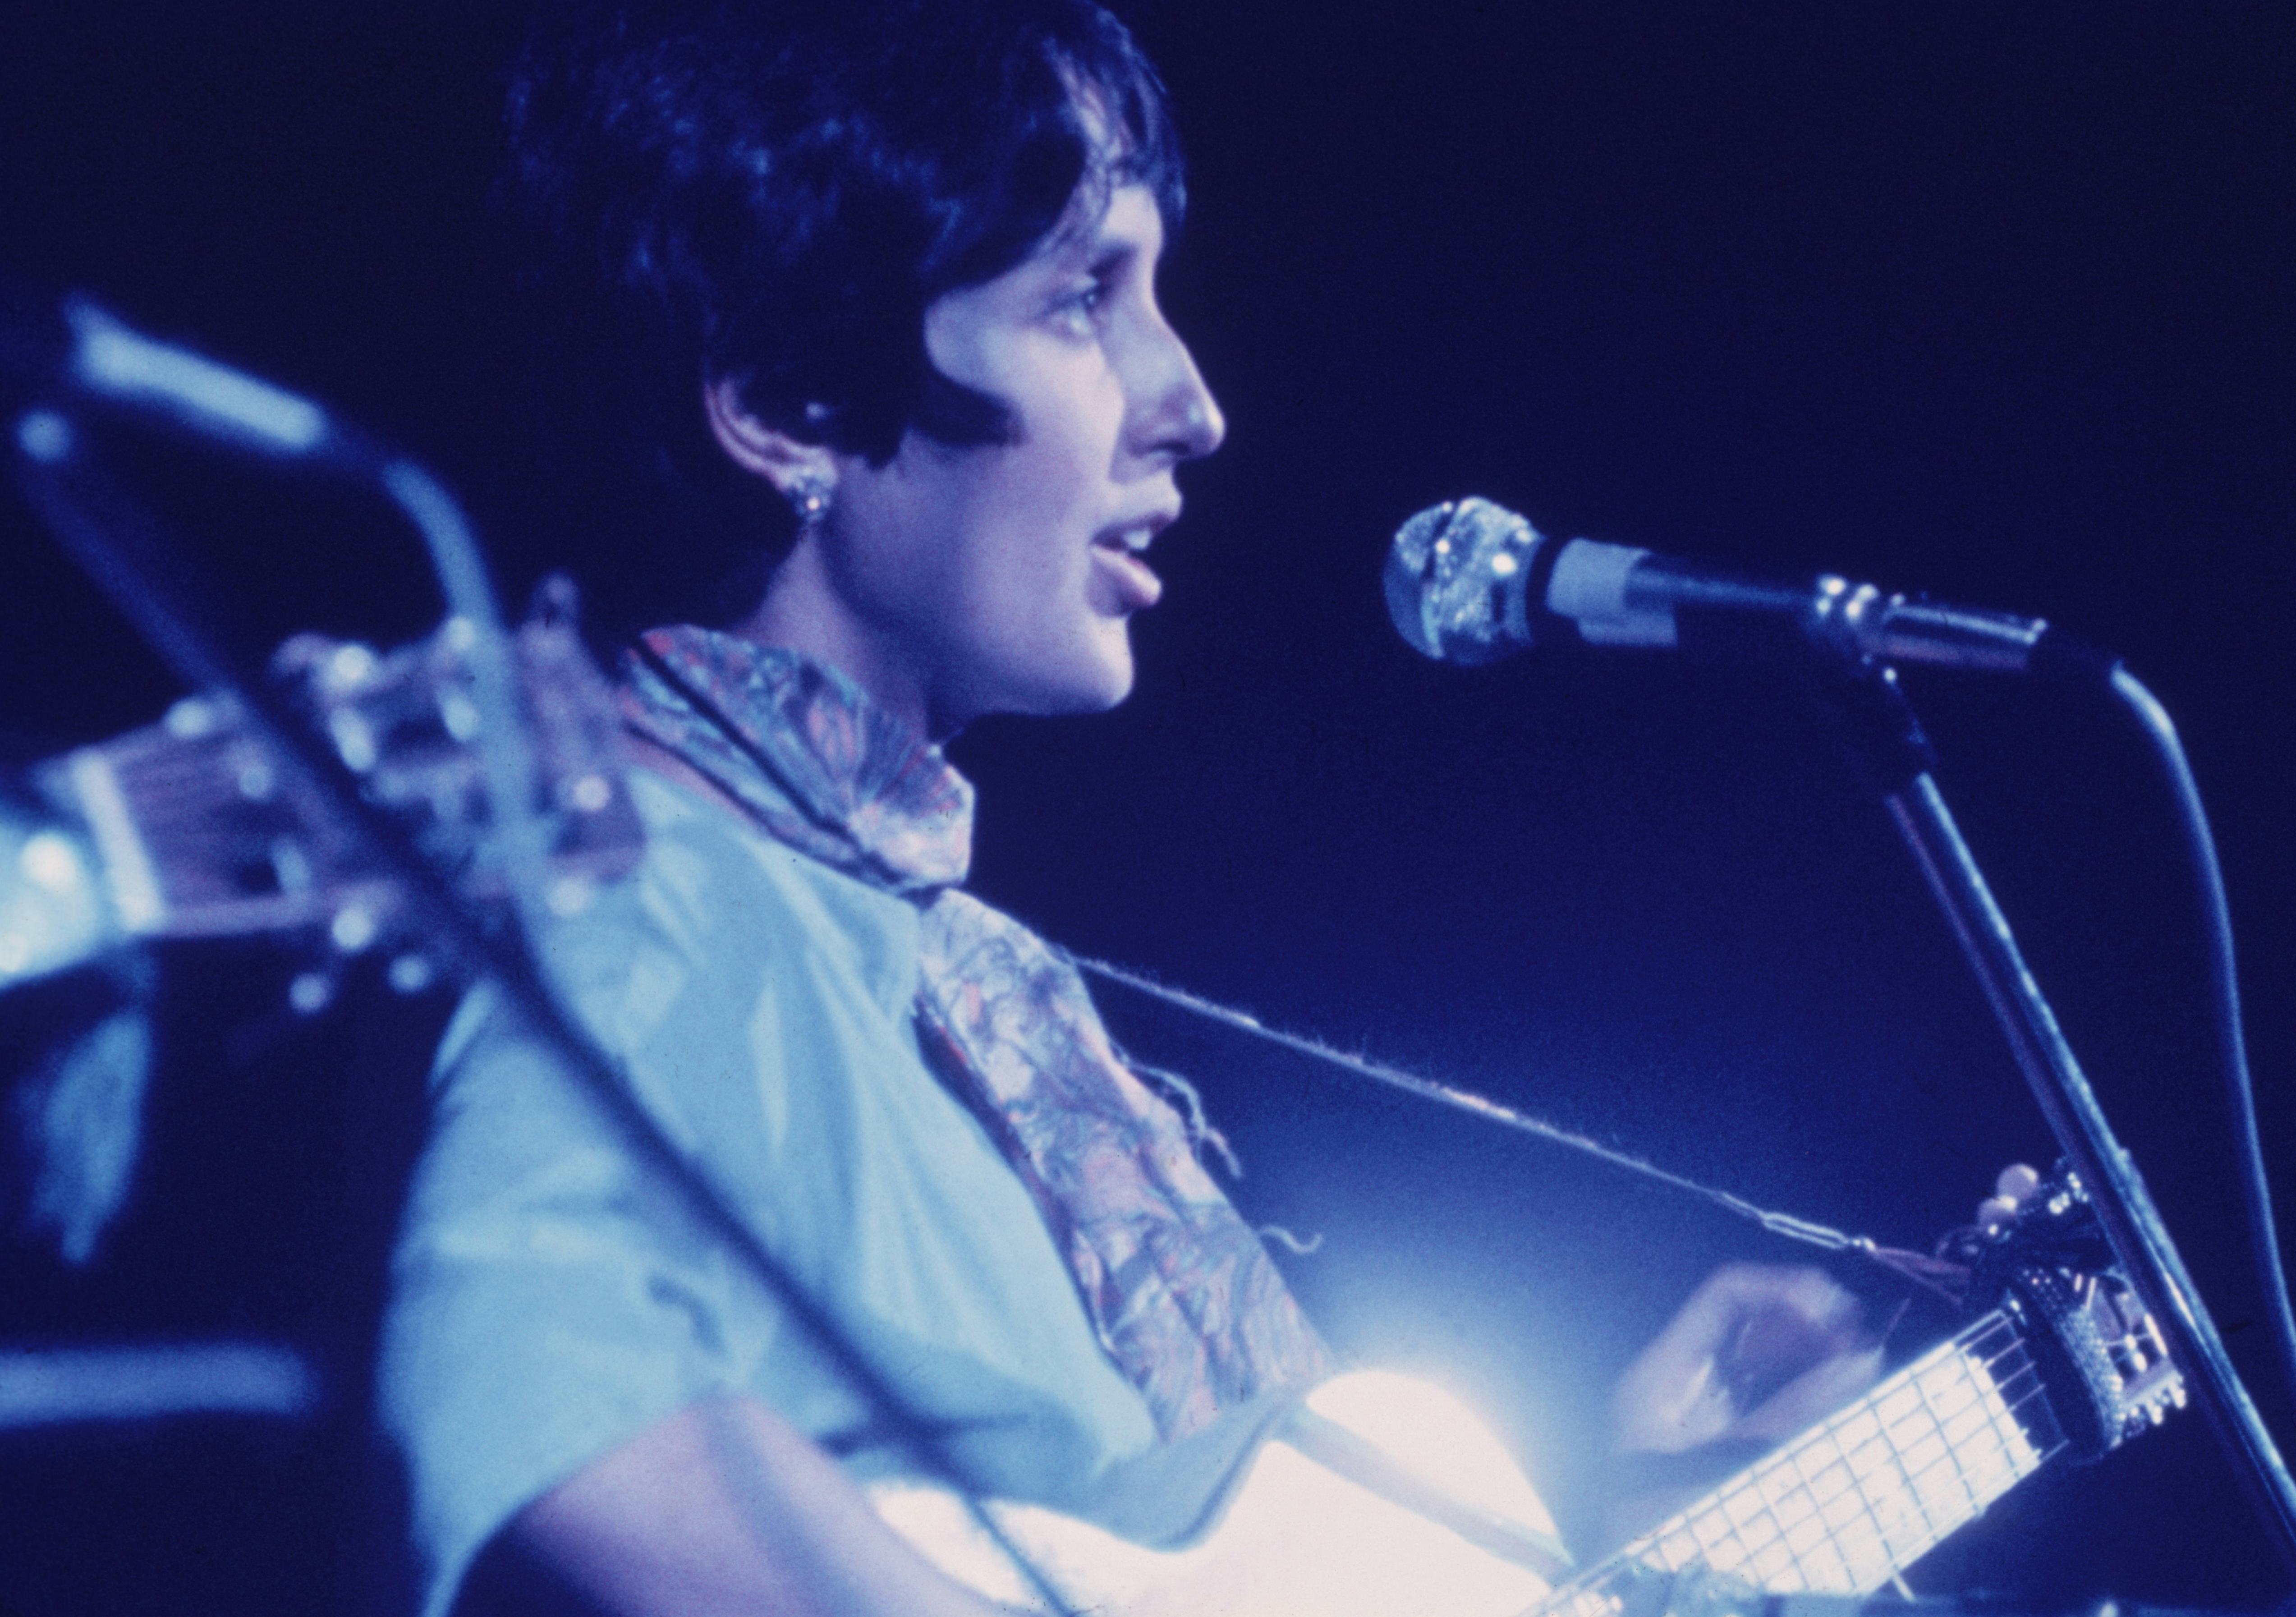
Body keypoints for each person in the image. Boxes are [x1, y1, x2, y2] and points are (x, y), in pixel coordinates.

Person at [377, 2, 1883, 1613]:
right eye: (1083, 298)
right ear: (787, 401)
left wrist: (1613, 1516)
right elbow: (532, 1405)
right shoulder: (652, 881)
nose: (1192, 398)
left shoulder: (937, 963)